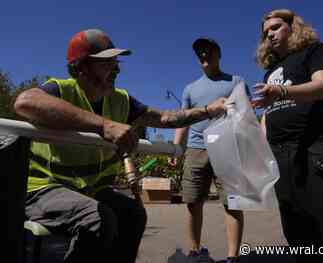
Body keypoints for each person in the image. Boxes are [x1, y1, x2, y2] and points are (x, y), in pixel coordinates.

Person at [14, 29, 228, 263]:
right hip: (44, 188)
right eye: (107, 62)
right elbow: (25, 102)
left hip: (90, 189)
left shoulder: (121, 100)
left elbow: (165, 118)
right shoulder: (60, 90)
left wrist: (208, 110)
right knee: (97, 219)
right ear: (81, 67)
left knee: (133, 215)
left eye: (116, 62)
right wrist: (104, 125)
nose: (116, 69)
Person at [253, 9, 323, 263]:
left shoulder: (314, 51)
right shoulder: (270, 71)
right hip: (281, 157)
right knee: (298, 234)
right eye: (265, 33)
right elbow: (269, 112)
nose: (269, 35)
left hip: (317, 150)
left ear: (293, 28)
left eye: (275, 28)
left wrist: (281, 92)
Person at [168, 38, 245, 263]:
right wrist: (176, 148)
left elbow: (245, 117)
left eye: (208, 51)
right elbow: (183, 120)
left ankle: (233, 257)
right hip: (195, 149)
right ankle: (195, 250)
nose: (203, 55)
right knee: (192, 202)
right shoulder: (190, 88)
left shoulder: (236, 81)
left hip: (227, 149)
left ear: (218, 54)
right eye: (199, 52)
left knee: (232, 203)